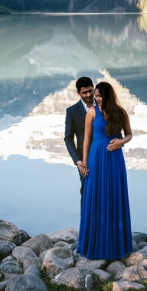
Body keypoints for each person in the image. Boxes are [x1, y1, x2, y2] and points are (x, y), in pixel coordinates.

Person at [77, 81, 133, 260]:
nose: (97, 99)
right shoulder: (92, 112)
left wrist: (120, 142)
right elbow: (86, 138)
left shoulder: (121, 112)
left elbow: (129, 134)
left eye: (100, 96)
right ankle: (94, 243)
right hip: (96, 156)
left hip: (115, 158)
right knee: (95, 195)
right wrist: (84, 162)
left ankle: (116, 245)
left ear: (108, 95)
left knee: (114, 195)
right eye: (96, 96)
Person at [64, 76, 94, 205]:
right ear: (78, 93)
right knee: (86, 191)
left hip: (105, 156)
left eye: (90, 91)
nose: (88, 95)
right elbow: (68, 138)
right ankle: (86, 224)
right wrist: (78, 161)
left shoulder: (103, 106)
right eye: (84, 92)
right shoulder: (72, 111)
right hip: (84, 160)